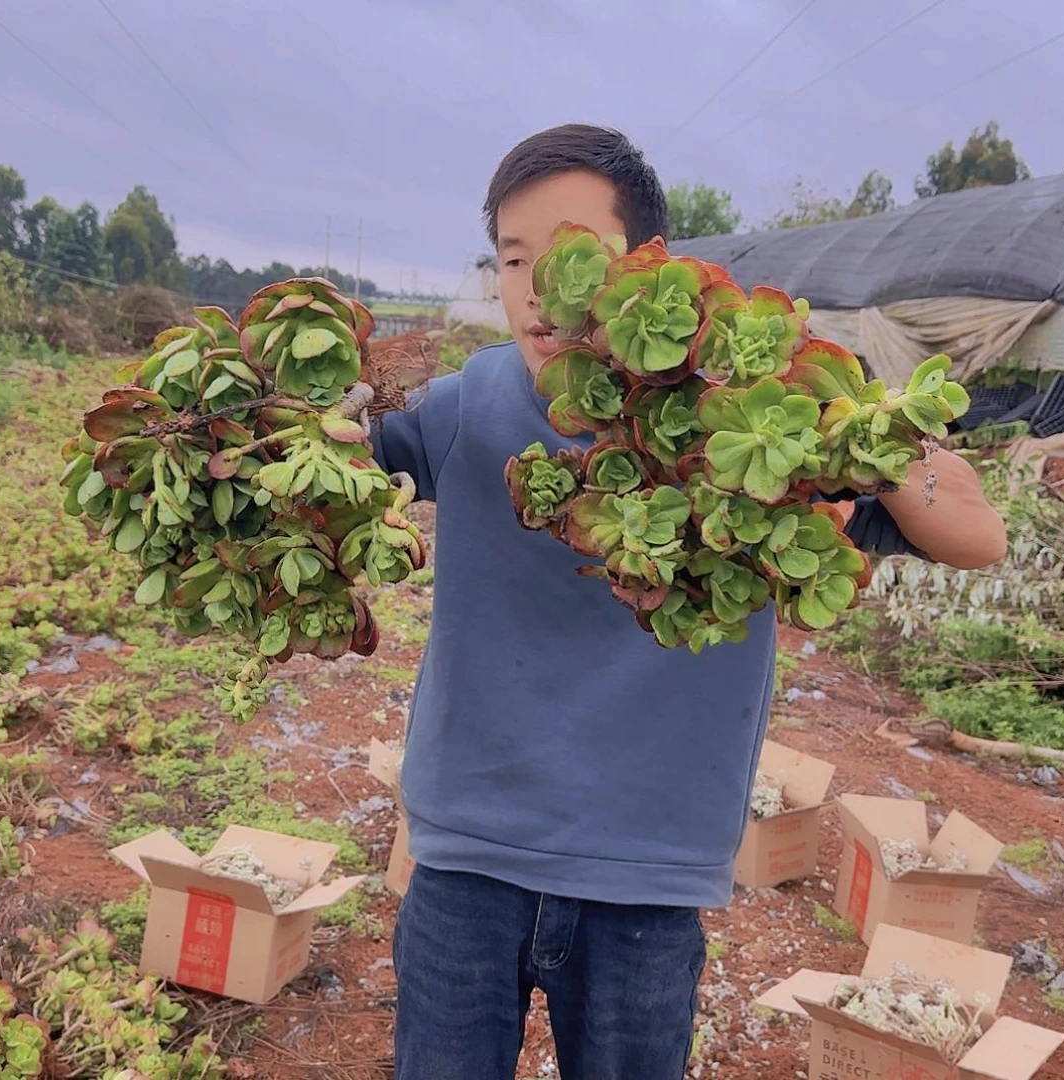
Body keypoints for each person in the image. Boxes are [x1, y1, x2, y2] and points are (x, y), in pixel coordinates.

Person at [370, 123, 1008, 1080]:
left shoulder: (752, 421)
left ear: (643, 269)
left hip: (647, 881)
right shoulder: (468, 405)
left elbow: (979, 534)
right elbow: (330, 466)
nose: (537, 292)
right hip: (468, 864)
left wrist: (830, 431)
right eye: (512, 259)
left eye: (573, 257)